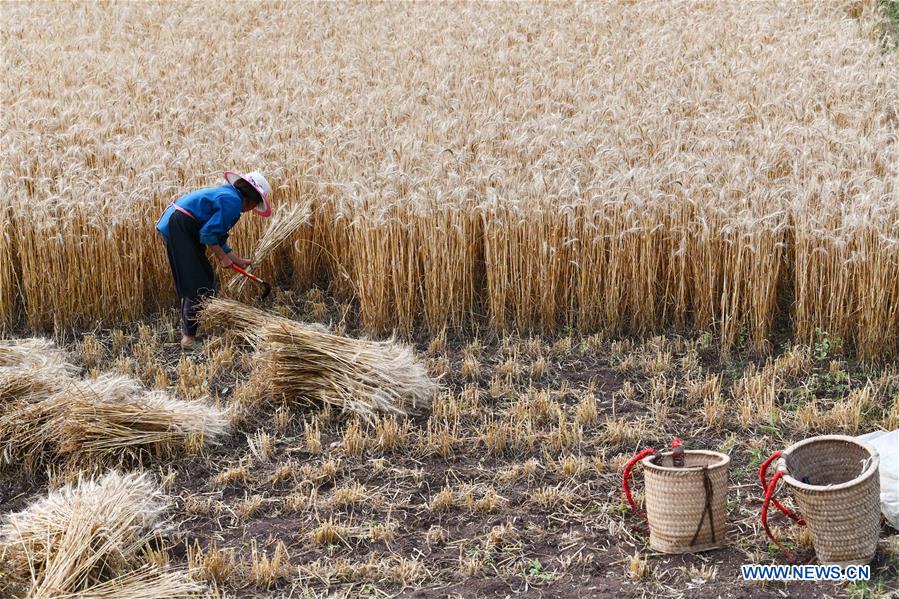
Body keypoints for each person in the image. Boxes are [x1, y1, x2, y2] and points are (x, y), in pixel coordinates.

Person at [156, 171, 272, 349]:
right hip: (178, 227)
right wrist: (222, 258)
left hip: (180, 226)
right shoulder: (233, 202)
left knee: (200, 280)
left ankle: (189, 330)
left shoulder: (229, 195)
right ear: (251, 199)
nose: (252, 210)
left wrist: (234, 258)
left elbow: (216, 233)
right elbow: (208, 234)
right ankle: (188, 339)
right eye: (256, 204)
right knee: (198, 283)